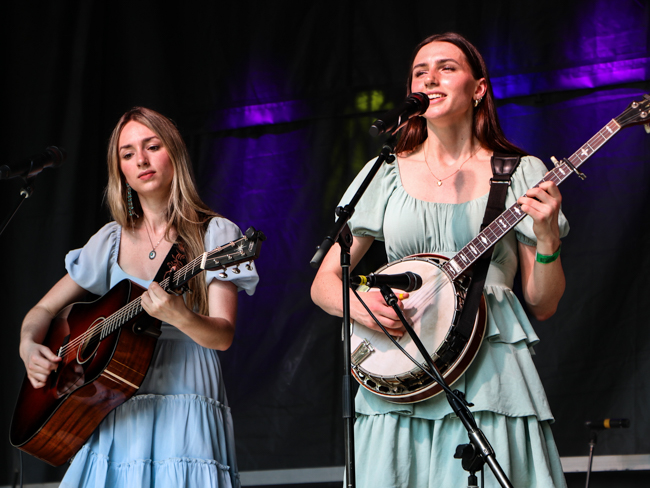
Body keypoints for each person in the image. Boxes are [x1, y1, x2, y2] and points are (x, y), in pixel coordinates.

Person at [311, 32, 568, 487]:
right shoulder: (385, 172)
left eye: (447, 68)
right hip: (401, 372)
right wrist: (364, 308)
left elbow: (543, 304)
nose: (430, 78)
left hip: (489, 374)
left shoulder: (520, 172)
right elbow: (325, 282)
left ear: (479, 88)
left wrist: (547, 237)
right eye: (419, 72)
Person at [19, 107, 258, 487]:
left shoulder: (214, 233)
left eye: (152, 146)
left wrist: (181, 316)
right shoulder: (110, 239)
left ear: (174, 154)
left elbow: (223, 336)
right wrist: (29, 346)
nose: (141, 160)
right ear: (121, 171)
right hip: (113, 399)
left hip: (184, 391)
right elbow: (43, 309)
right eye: (128, 153)